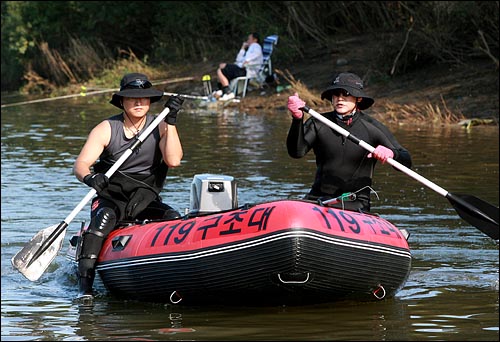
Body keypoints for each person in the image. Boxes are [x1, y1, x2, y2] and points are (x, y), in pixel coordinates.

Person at [73, 72, 184, 303]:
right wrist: (90, 178)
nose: (138, 102)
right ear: (122, 101)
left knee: (173, 216)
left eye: (143, 98)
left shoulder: (161, 125)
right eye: (132, 98)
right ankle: (85, 287)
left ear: (150, 101)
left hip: (143, 198)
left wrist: (171, 122)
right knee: (103, 219)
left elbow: (173, 160)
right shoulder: (106, 128)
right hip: (111, 196)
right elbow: (81, 164)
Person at [286, 72, 412, 212]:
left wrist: (392, 153)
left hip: (354, 203)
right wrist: (297, 119)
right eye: (335, 94)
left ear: (358, 99)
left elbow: (406, 160)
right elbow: (296, 152)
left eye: (346, 94)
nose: (340, 99)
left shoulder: (372, 128)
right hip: (317, 199)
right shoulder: (319, 122)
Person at [215, 32, 263, 101]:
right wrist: (243, 48)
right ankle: (222, 91)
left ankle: (227, 92)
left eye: (249, 39)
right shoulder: (251, 48)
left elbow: (248, 59)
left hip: (247, 70)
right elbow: (238, 59)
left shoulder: (256, 47)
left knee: (221, 69)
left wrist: (241, 64)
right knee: (222, 70)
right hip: (242, 68)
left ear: (255, 40)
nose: (247, 41)